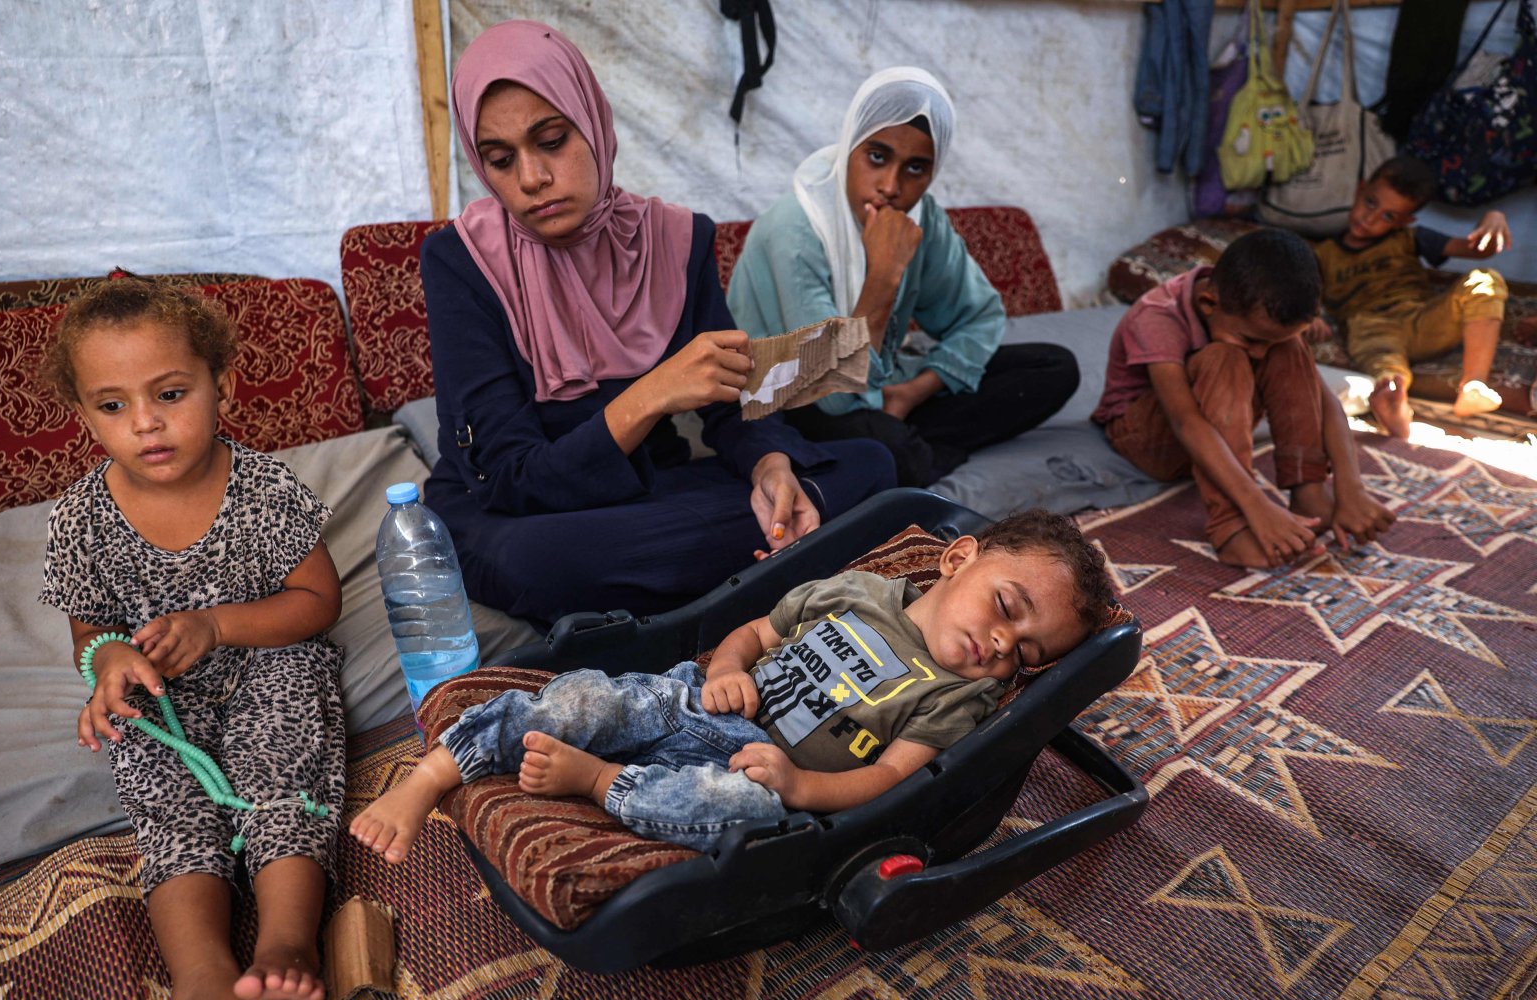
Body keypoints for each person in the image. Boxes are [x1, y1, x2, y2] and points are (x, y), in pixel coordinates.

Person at [421, 21, 894, 626]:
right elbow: (508, 479)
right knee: (538, 564)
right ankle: (768, 567)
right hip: (519, 516)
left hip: (643, 496)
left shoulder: (674, 240)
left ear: (591, 120)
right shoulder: (461, 262)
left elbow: (732, 403)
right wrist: (652, 393)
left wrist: (769, 468)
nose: (532, 178)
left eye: (551, 139)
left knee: (871, 467)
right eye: (500, 158)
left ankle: (730, 569)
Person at [349, 509, 1112, 861]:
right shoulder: (860, 592)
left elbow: (888, 778)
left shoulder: (959, 697)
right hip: (694, 697)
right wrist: (723, 668)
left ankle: (601, 783)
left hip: (762, 770)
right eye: (1007, 608)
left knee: (737, 810)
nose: (1002, 644)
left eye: (1026, 653)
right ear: (956, 561)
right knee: (584, 695)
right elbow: (753, 631)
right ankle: (430, 777)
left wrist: (800, 784)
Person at [38, 278, 345, 1000]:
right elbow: (91, 626)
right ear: (83, 418)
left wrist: (216, 625)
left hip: (266, 661)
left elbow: (316, 601)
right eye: (112, 406)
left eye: (170, 392)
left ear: (222, 385)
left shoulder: (265, 491)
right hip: (164, 697)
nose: (145, 423)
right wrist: (108, 661)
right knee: (166, 802)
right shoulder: (80, 519)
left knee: (284, 765)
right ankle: (201, 976)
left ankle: (287, 941)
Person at [726, 67, 1080, 488]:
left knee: (1054, 367)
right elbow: (834, 394)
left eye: (915, 168)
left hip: (882, 386)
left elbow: (981, 316)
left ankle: (903, 443)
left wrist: (913, 393)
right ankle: (911, 451)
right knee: (891, 452)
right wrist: (885, 275)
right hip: (787, 397)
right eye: (877, 157)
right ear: (851, 144)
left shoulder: (922, 218)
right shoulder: (794, 231)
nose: (891, 186)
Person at [1092, 228, 1396, 569]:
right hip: (1149, 439)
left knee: (1289, 346)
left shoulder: (1256, 319)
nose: (1260, 352)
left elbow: (1326, 402)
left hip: (1215, 429)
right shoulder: (1157, 317)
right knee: (1226, 357)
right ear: (1209, 303)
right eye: (1251, 339)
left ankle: (1308, 494)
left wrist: (1350, 487)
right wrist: (1258, 506)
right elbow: (1185, 421)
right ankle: (1231, 526)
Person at [1310, 155, 1512, 438]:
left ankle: (1473, 385)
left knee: (1485, 280)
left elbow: (1476, 249)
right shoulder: (1324, 254)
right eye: (1370, 203)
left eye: (1389, 216)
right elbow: (1304, 289)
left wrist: (1495, 218)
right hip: (1371, 327)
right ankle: (1396, 412)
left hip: (1423, 319)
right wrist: (1312, 314)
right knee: (1387, 374)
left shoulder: (1410, 237)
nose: (1370, 219)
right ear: (1360, 189)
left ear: (1405, 220)